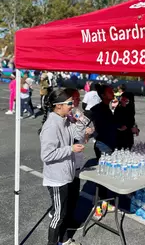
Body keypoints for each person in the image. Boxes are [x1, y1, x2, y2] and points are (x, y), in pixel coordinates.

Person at [39, 89, 86, 245]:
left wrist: (80, 120)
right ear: (58, 106)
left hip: (66, 174)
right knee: (58, 215)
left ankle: (64, 240)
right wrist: (70, 149)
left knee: (64, 213)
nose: (72, 106)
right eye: (70, 103)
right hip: (56, 179)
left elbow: (77, 135)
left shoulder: (64, 119)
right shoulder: (51, 125)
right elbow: (46, 155)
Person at [90, 85, 116, 159]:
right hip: (103, 144)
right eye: (109, 92)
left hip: (108, 143)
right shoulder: (100, 109)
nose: (112, 93)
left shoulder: (106, 107)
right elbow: (103, 126)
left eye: (112, 91)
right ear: (103, 95)